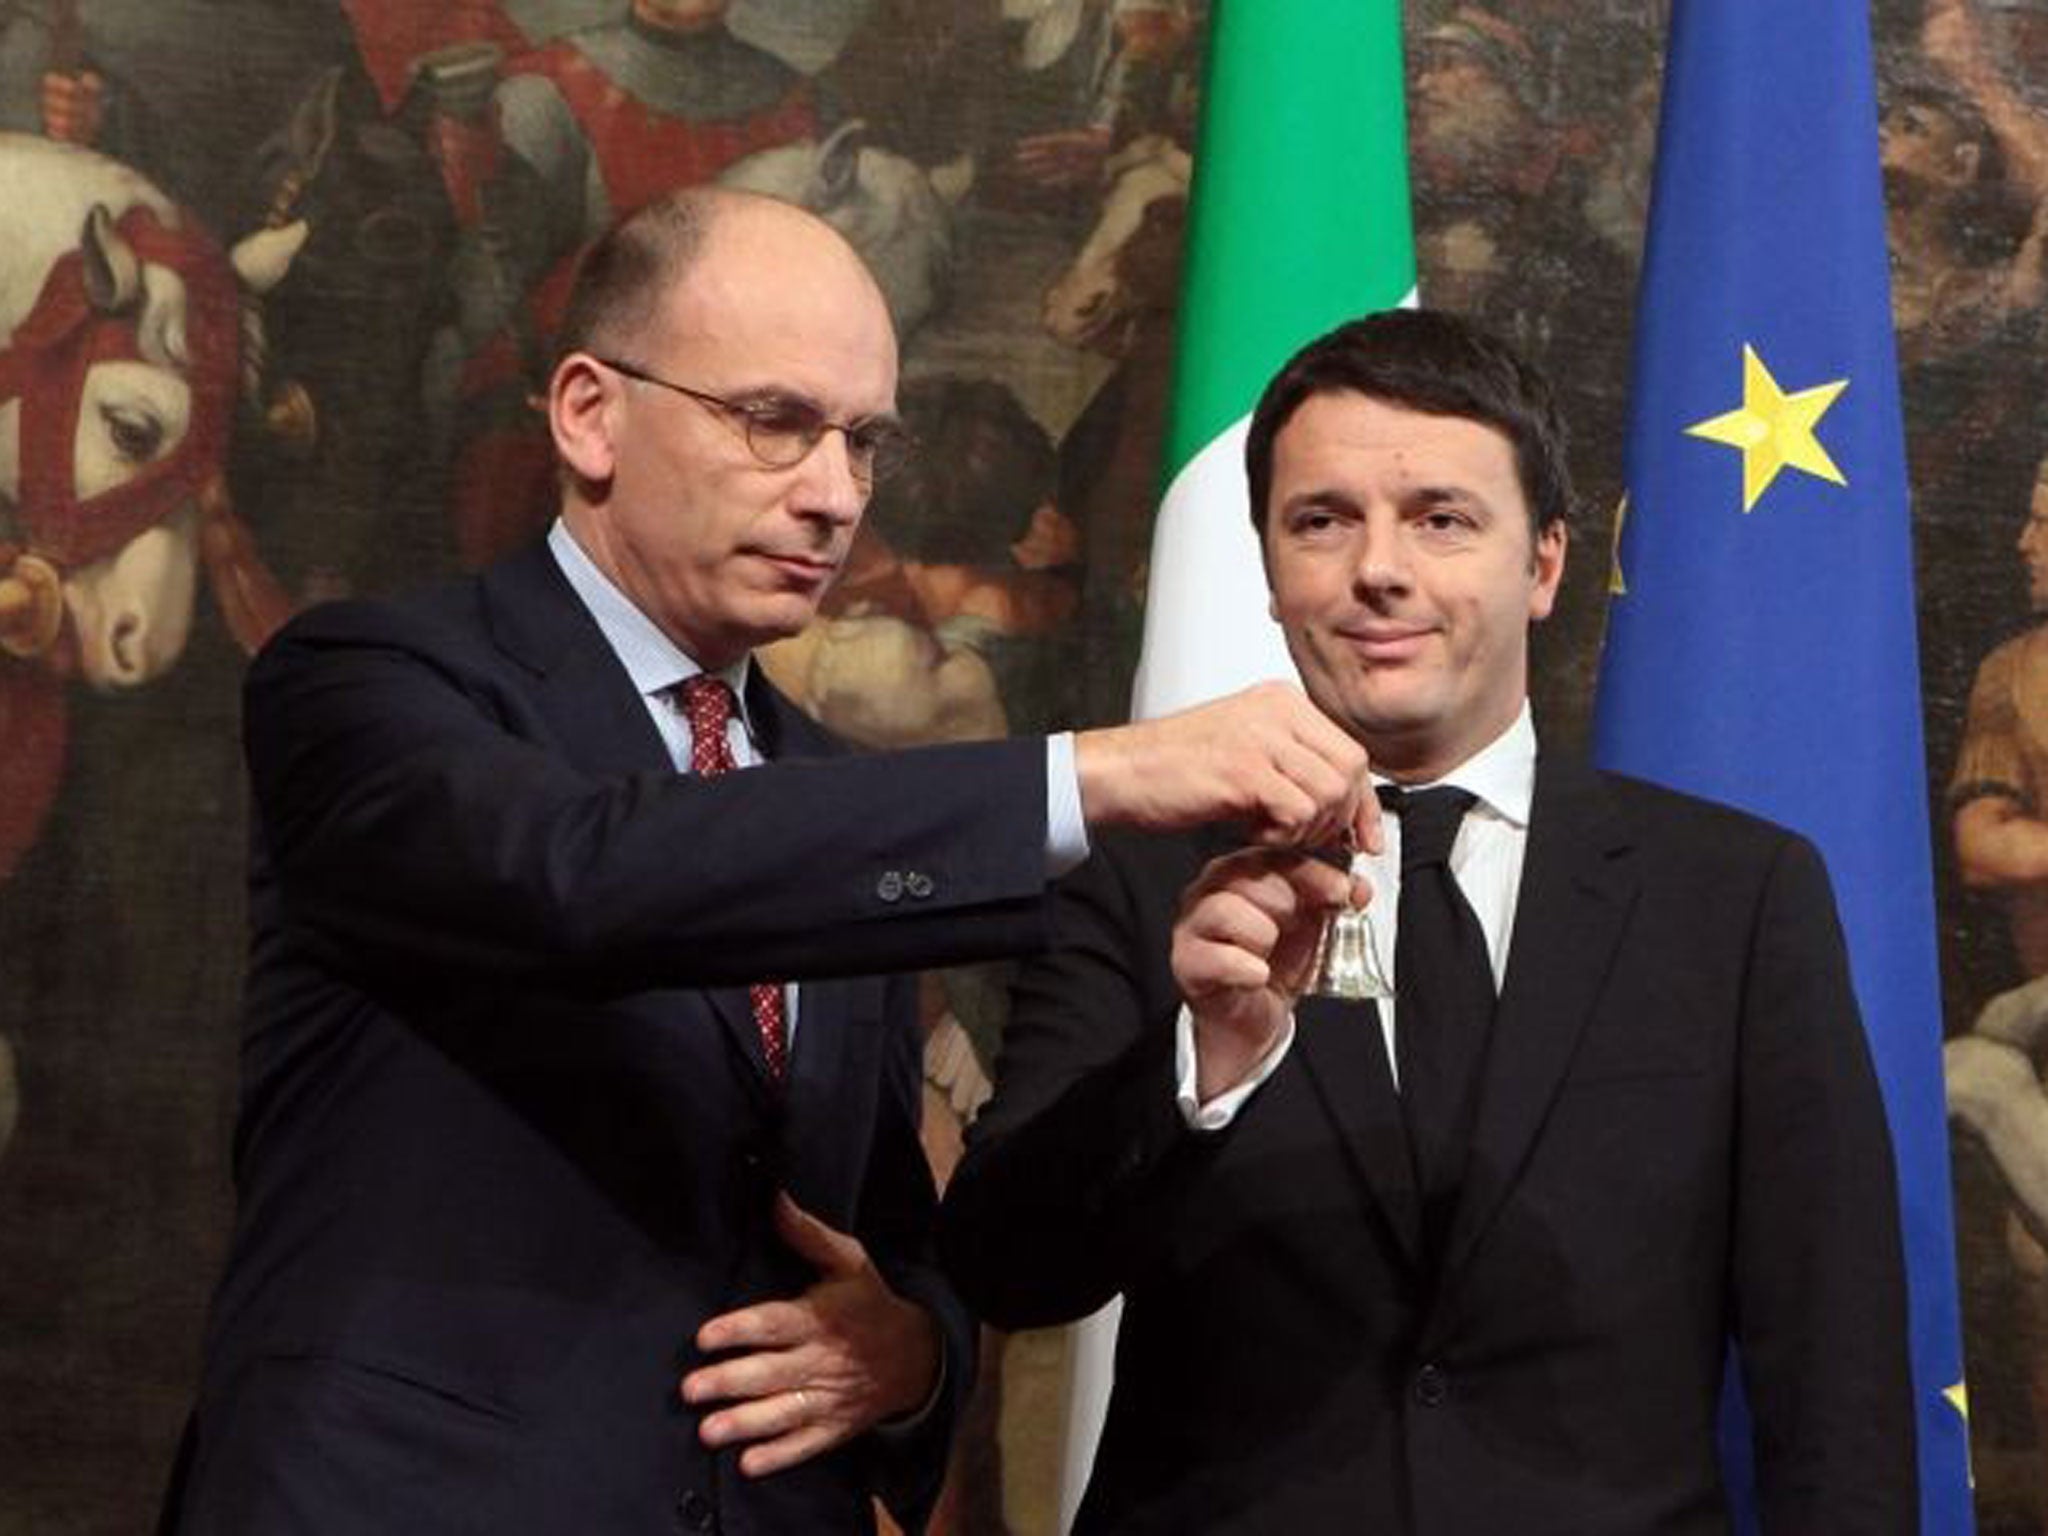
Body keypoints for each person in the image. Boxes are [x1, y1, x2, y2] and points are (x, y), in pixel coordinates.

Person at [157, 185, 1376, 1534]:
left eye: (865, 444)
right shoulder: (369, 684)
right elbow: (583, 873)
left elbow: (888, 1231)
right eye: (776, 422)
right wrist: (1097, 770)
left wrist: (914, 1355)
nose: (836, 495)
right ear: (588, 412)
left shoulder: (831, 800)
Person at [939, 308, 1916, 1532]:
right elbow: (1005, 1267)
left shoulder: (1734, 896)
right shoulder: (1137, 877)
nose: (1379, 569)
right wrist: (1196, 1064)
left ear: (1544, 562)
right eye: (1320, 520)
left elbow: (1832, 1370)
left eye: (1441, 519)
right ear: (1266, 568)